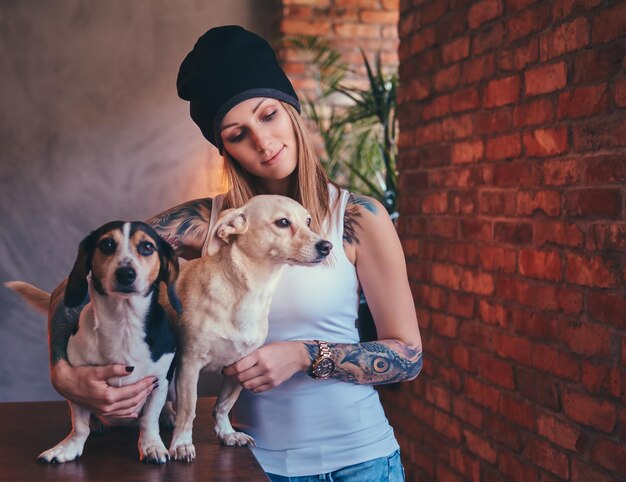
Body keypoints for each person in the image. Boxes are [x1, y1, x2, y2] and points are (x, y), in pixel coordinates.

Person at [47, 25, 422, 481]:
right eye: (237, 133)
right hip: (245, 463)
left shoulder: (359, 218)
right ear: (223, 147)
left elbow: (408, 357)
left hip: (360, 463)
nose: (263, 142)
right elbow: (73, 287)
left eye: (268, 115)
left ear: (291, 111)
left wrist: (306, 354)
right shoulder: (206, 224)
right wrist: (64, 374)